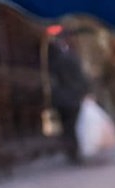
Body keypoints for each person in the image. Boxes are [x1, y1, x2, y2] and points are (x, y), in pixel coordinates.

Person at [46, 36, 90, 164]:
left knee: (66, 127)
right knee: (74, 125)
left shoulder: (54, 60)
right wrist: (85, 91)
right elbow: (81, 77)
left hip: (61, 98)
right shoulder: (74, 59)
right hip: (74, 97)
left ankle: (71, 151)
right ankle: (75, 151)